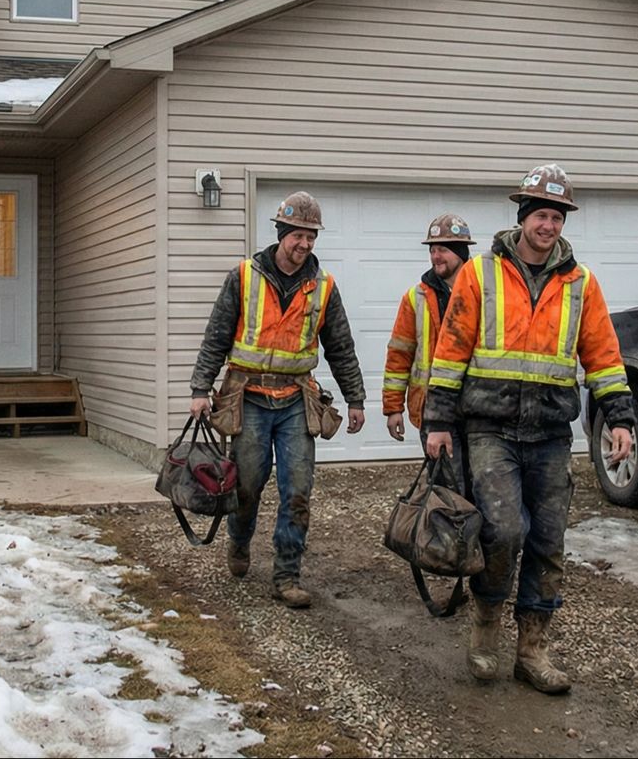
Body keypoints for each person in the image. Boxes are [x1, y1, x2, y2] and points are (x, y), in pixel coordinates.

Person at [422, 165, 635, 694]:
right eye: (541, 215)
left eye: (556, 217)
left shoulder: (580, 283)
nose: (549, 225)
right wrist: (438, 421)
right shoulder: (481, 274)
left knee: (548, 540)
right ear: (523, 219)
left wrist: (621, 418)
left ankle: (532, 649)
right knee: (502, 531)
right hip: (489, 428)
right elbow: (450, 352)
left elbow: (604, 357)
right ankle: (486, 625)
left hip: (548, 432)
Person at [189, 191, 367, 608]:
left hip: (295, 400)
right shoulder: (244, 277)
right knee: (248, 485)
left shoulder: (324, 287)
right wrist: (200, 389)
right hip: (248, 397)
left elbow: (341, 347)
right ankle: (239, 539)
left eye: (311, 237)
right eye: (297, 236)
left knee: (298, 491)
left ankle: (287, 574)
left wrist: (355, 398)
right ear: (281, 233)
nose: (304, 245)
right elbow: (216, 336)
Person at [382, 213, 474, 487]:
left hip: (479, 410)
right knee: (447, 491)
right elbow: (399, 354)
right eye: (432, 250)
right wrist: (392, 408)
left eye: (443, 250)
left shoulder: (483, 292)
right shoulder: (416, 298)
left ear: (461, 252)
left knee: (482, 491)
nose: (436, 256)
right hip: (432, 411)